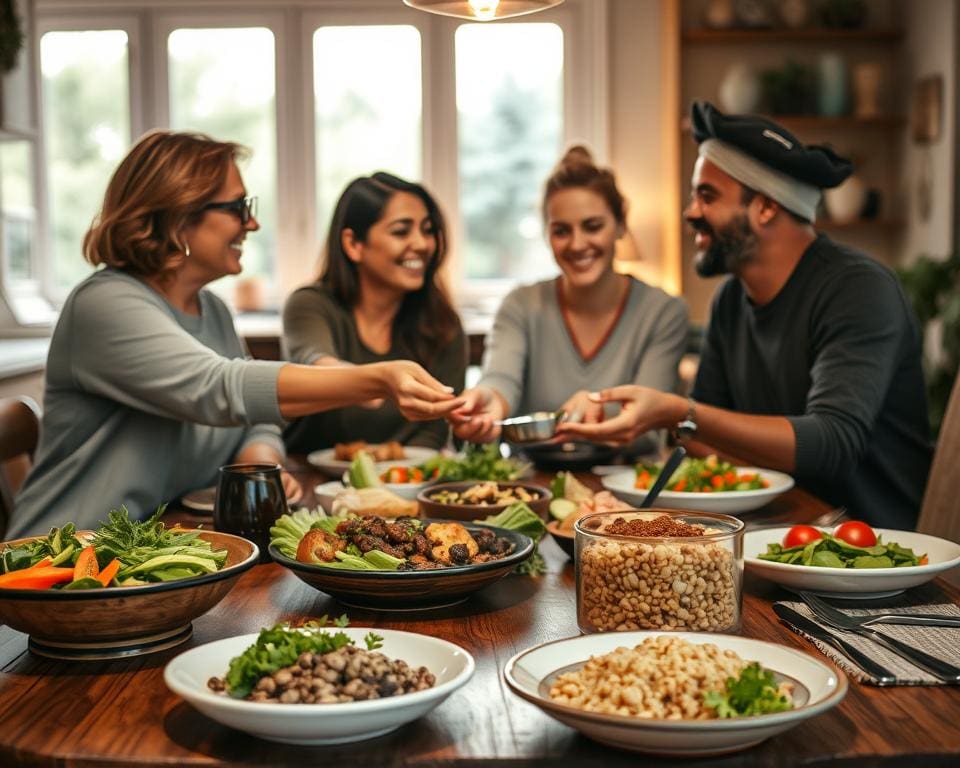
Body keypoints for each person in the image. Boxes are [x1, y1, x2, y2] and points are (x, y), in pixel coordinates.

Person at [10, 132, 461, 538]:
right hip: (60, 565)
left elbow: (256, 417)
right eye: (237, 208)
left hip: (158, 549)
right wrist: (378, 378)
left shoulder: (212, 310)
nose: (252, 224)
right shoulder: (103, 305)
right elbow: (220, 387)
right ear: (179, 216)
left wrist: (259, 458)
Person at [558, 102, 932, 529]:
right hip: (773, 533)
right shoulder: (731, 299)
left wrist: (680, 412)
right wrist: (677, 421)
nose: (690, 211)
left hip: (871, 553)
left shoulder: (859, 290)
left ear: (766, 207)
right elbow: (699, 441)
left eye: (707, 195)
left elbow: (831, 443)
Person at [452, 146, 687, 453]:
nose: (577, 244)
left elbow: (650, 417)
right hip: (534, 488)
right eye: (561, 231)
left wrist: (594, 406)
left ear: (620, 224)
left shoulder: (663, 311)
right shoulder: (520, 305)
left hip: (629, 488)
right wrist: (489, 400)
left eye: (593, 226)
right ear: (547, 235)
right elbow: (501, 378)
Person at [281, 172, 467, 453]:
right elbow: (316, 365)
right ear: (353, 244)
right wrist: (381, 382)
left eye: (428, 230)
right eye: (401, 231)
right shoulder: (310, 305)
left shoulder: (443, 324)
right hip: (308, 483)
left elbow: (433, 430)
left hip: (405, 486)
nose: (421, 244)